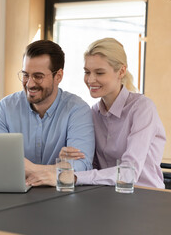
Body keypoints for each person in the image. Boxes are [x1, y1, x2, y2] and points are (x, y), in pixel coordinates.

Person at [60, 37, 166, 188]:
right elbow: (93, 166)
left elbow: (129, 173)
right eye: (87, 72)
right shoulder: (93, 113)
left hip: (147, 197)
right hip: (107, 196)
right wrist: (70, 160)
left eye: (99, 73)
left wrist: (76, 176)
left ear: (121, 71)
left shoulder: (142, 108)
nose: (90, 80)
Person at [0, 40, 95, 186]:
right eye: (26, 75)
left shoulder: (77, 110)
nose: (30, 84)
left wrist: (29, 168)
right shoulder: (6, 107)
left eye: (38, 76)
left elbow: (81, 166)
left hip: (60, 198)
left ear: (58, 76)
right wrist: (56, 169)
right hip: (14, 193)